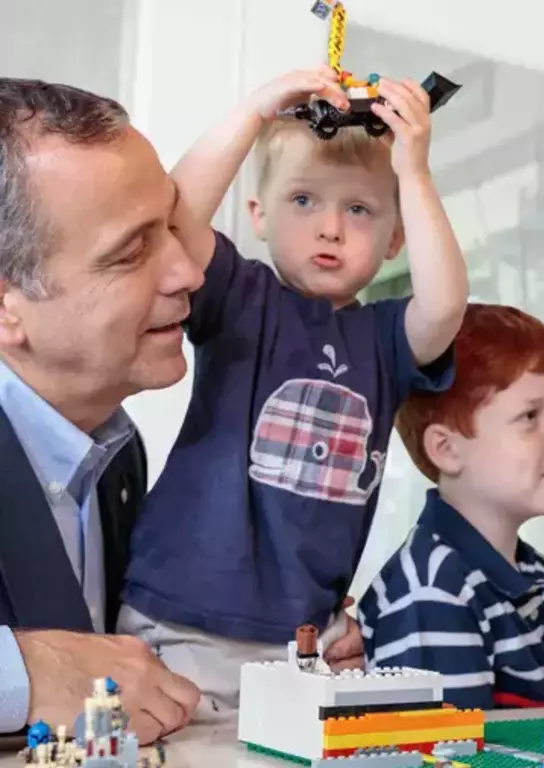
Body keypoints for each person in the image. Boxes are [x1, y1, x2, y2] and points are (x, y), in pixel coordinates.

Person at [115, 66, 468, 716]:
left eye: (358, 208)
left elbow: (445, 306)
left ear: (395, 239)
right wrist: (253, 111)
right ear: (260, 217)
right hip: (181, 624)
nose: (330, 227)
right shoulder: (241, 297)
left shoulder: (386, 338)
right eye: (304, 200)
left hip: (306, 640)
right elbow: (170, 218)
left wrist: (413, 171)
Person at [0, 78, 202, 741]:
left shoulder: (117, 454)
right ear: (8, 307)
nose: (187, 272)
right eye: (134, 249)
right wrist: (26, 676)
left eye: (172, 226)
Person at [358, 303, 544, 709]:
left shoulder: (535, 573)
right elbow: (450, 755)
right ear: (446, 449)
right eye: (530, 416)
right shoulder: (433, 590)